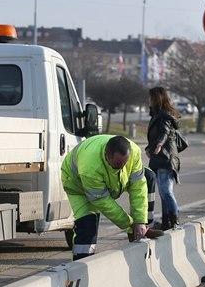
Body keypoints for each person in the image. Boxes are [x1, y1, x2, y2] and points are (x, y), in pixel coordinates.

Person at [61, 135, 164, 261]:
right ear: (106, 155)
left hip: (110, 179)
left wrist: (140, 221)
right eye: (116, 165)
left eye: (124, 164)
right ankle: (80, 265)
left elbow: (138, 187)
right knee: (87, 224)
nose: (121, 167)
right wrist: (129, 224)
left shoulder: (134, 151)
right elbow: (102, 201)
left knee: (149, 177)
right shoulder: (89, 167)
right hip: (78, 186)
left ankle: (144, 228)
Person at [145, 86, 181, 230]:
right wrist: (150, 148)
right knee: (163, 192)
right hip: (159, 157)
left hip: (166, 158)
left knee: (166, 191)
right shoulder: (157, 114)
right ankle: (166, 222)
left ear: (156, 98)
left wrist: (159, 145)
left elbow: (164, 132)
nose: (149, 100)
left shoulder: (164, 115)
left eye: (151, 97)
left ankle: (175, 220)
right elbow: (156, 135)